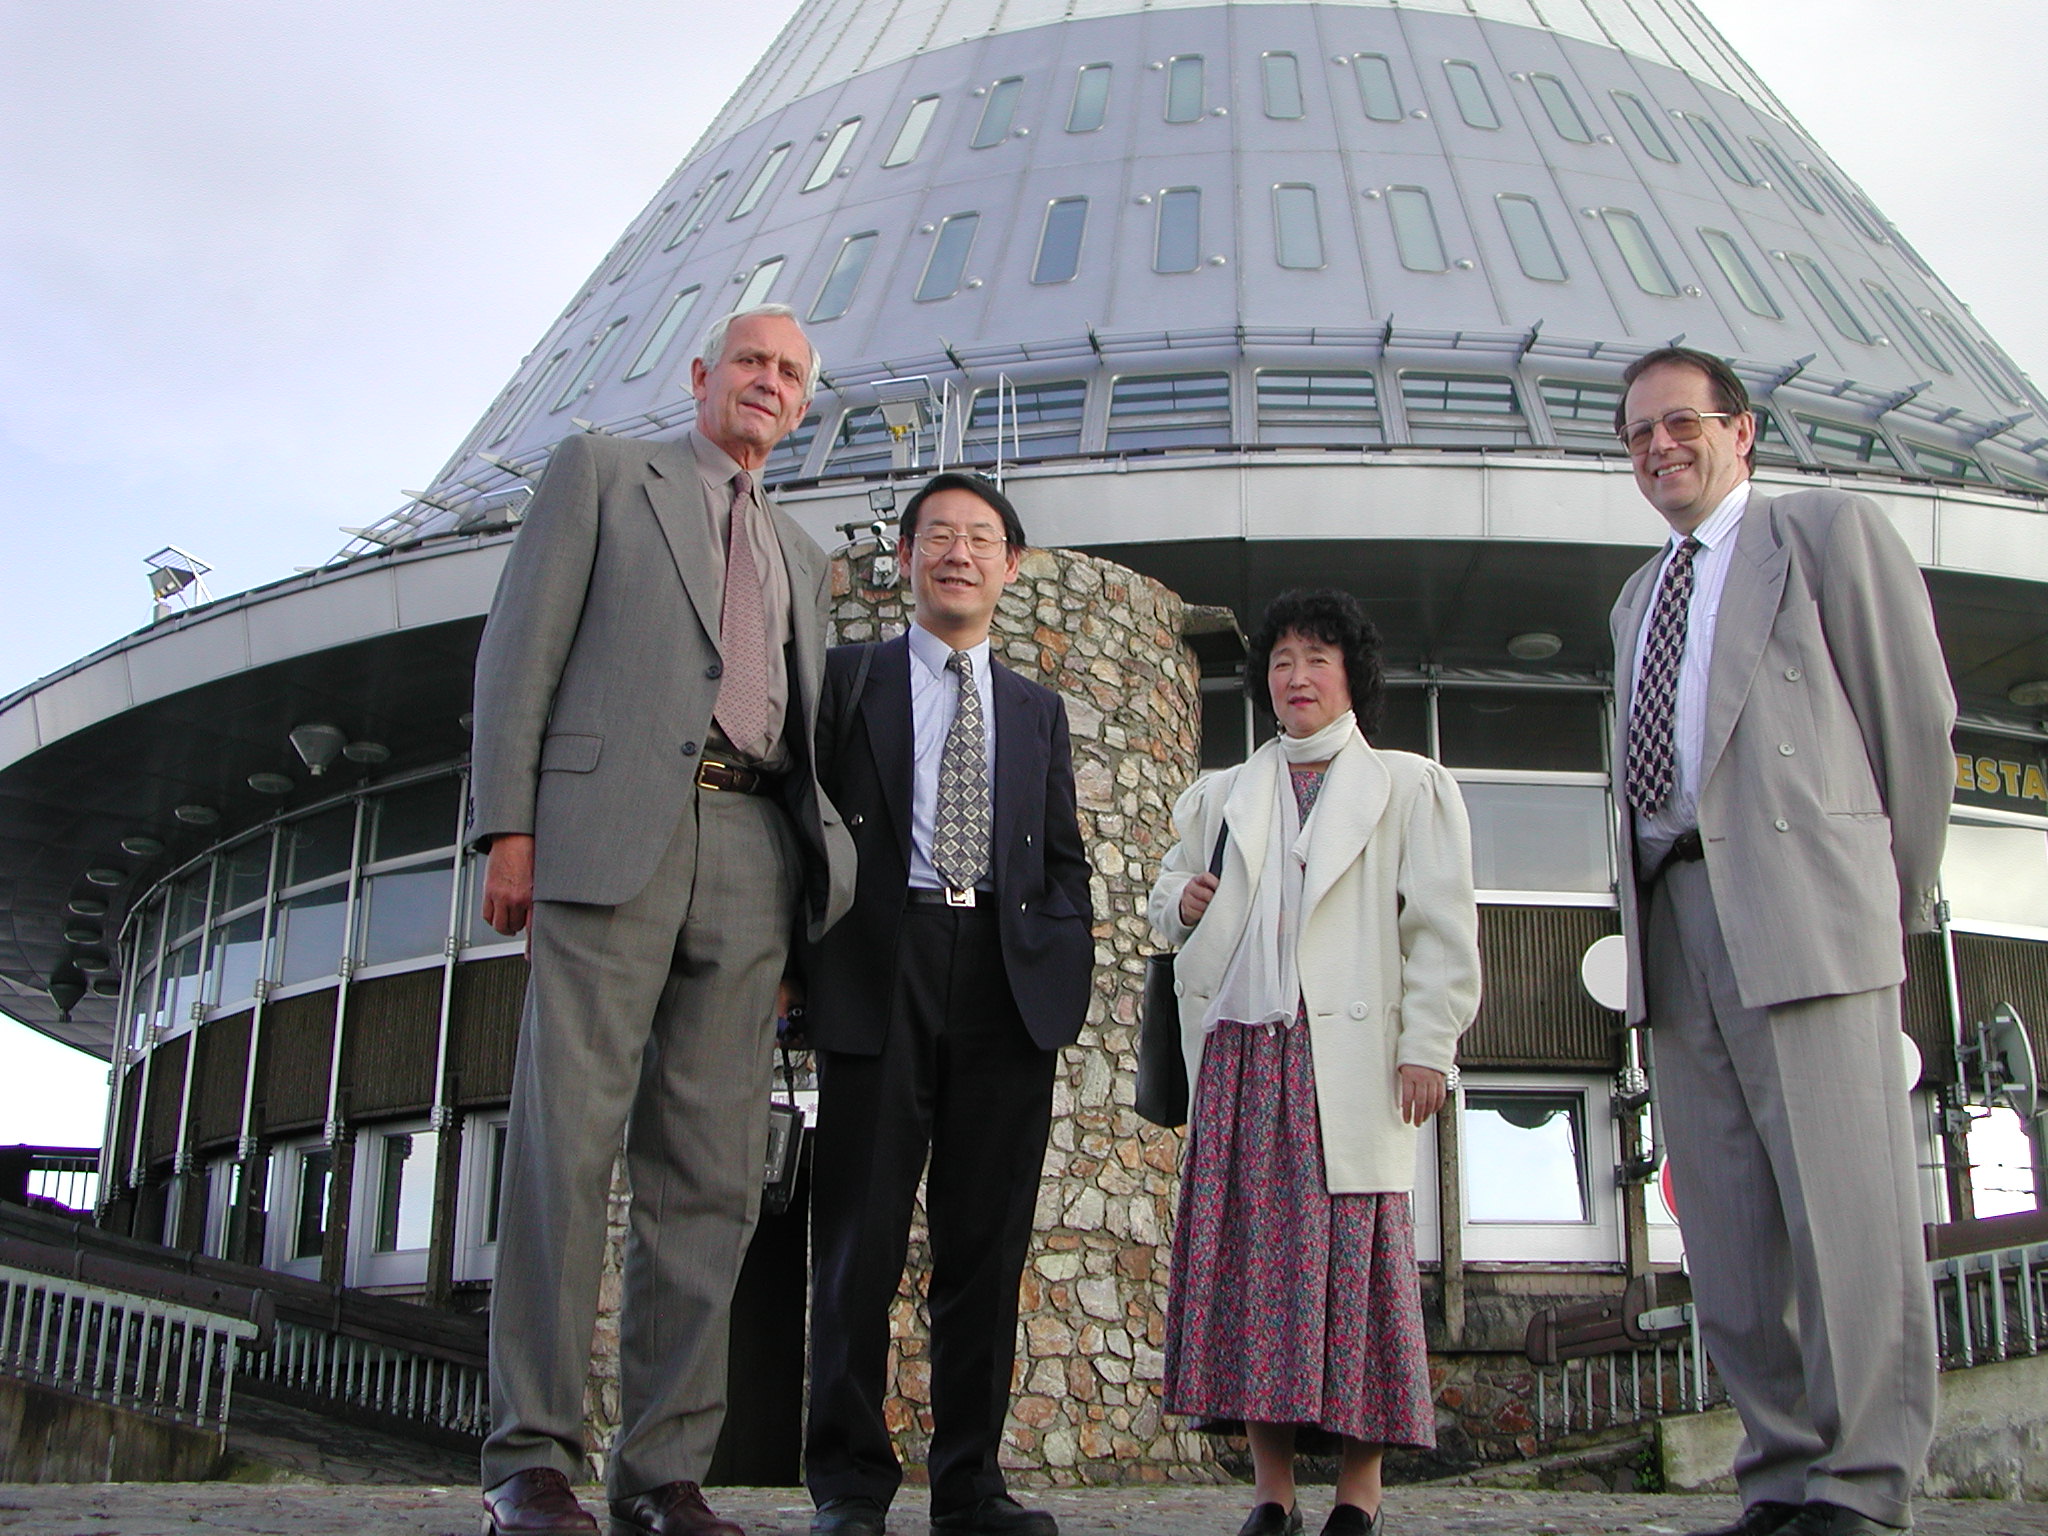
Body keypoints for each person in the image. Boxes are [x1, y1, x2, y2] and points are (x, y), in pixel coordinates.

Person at [468, 303, 855, 1536]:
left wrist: (800, 910)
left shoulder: (800, 550)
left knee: (710, 1177)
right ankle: (530, 1460)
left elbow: (801, 731)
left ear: (803, 404)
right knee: (566, 1147)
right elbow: (518, 651)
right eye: (750, 361)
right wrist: (507, 826)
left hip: (749, 853)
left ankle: (661, 1473)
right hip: (604, 841)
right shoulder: (599, 473)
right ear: (700, 373)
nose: (767, 382)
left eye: (788, 372)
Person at [1607, 347, 1955, 1536]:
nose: (1658, 447)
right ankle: (1778, 1470)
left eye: (1680, 423)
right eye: (1637, 433)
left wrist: (1881, 899)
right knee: (1726, 1226)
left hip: (1808, 914)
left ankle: (1861, 1482)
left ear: (1740, 430)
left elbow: (1911, 722)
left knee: (1843, 1212)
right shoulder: (1634, 597)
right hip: (1674, 925)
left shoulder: (1820, 537)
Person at [1147, 589, 1481, 1536]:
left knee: (1357, 1278)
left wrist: (1428, 1047)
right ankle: (1272, 1494)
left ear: (1352, 678)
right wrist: (1183, 902)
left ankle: (1358, 1497)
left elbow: (1441, 930)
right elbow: (1164, 901)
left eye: (1318, 659)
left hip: (1350, 1064)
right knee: (1252, 1276)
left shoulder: (1409, 787)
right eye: (1283, 660)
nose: (1297, 676)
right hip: (1242, 1063)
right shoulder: (1222, 792)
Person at [799, 472, 1094, 1536]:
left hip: (1006, 980)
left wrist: (1062, 948)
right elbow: (803, 821)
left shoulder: (1037, 709)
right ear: (907, 557)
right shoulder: (848, 681)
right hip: (883, 962)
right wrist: (798, 966)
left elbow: (1063, 857)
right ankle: (847, 1486)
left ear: (1010, 566)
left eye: (979, 538)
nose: (957, 554)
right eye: (937, 536)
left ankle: (969, 1487)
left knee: (985, 1247)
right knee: (858, 1240)